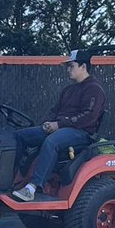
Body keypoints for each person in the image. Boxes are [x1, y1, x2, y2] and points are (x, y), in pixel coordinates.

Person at [12, 50, 106, 201]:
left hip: (81, 133)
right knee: (20, 136)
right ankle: (13, 179)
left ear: (83, 66)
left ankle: (32, 187)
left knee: (52, 141)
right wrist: (49, 123)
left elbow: (89, 116)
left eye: (71, 66)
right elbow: (55, 110)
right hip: (61, 128)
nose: (68, 69)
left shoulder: (94, 89)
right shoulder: (68, 90)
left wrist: (59, 125)